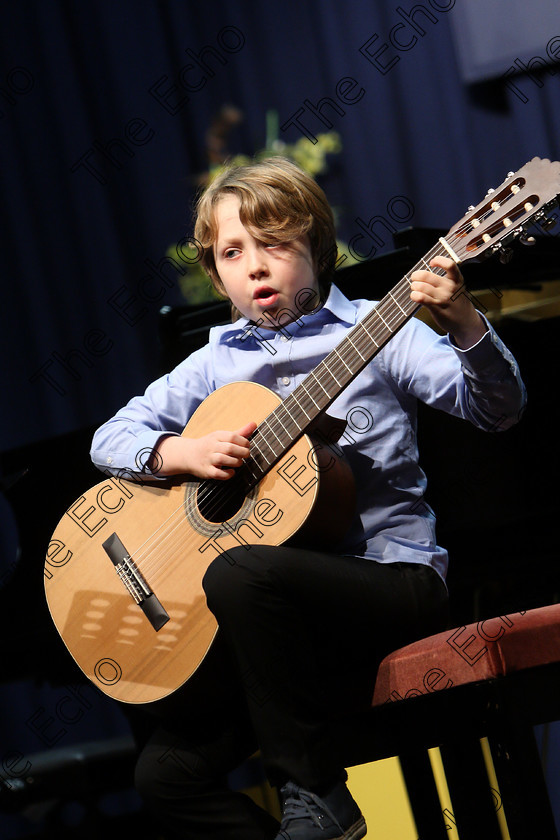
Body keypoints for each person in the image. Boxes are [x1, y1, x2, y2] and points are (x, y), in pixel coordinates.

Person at [91, 157, 526, 840]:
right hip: (289, 627)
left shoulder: (385, 334)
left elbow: (497, 411)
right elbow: (110, 437)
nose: (255, 267)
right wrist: (178, 453)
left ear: (317, 249)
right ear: (216, 273)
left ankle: (318, 794)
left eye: (275, 244)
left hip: (391, 581)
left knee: (238, 570)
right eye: (233, 253)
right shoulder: (212, 363)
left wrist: (466, 321)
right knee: (163, 778)